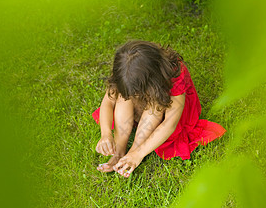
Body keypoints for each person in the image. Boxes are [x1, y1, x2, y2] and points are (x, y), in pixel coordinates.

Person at [92, 40, 226, 178]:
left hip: (166, 107)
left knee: (156, 105)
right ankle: (119, 152)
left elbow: (169, 124)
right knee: (122, 97)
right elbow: (108, 101)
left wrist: (138, 153)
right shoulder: (126, 72)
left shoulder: (172, 74)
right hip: (146, 97)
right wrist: (106, 134)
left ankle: (134, 150)